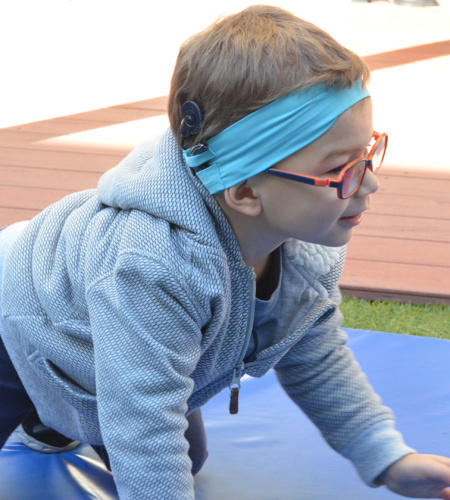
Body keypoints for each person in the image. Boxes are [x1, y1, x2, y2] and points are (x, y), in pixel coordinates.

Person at [1, 5, 449, 499]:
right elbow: (143, 425)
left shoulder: (304, 249)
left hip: (96, 336)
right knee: (144, 445)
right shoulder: (153, 267)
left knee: (189, 460)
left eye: (368, 153)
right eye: (341, 169)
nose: (370, 183)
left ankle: (53, 419)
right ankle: (47, 404)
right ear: (246, 193)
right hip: (18, 311)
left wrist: (386, 457)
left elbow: (314, 355)